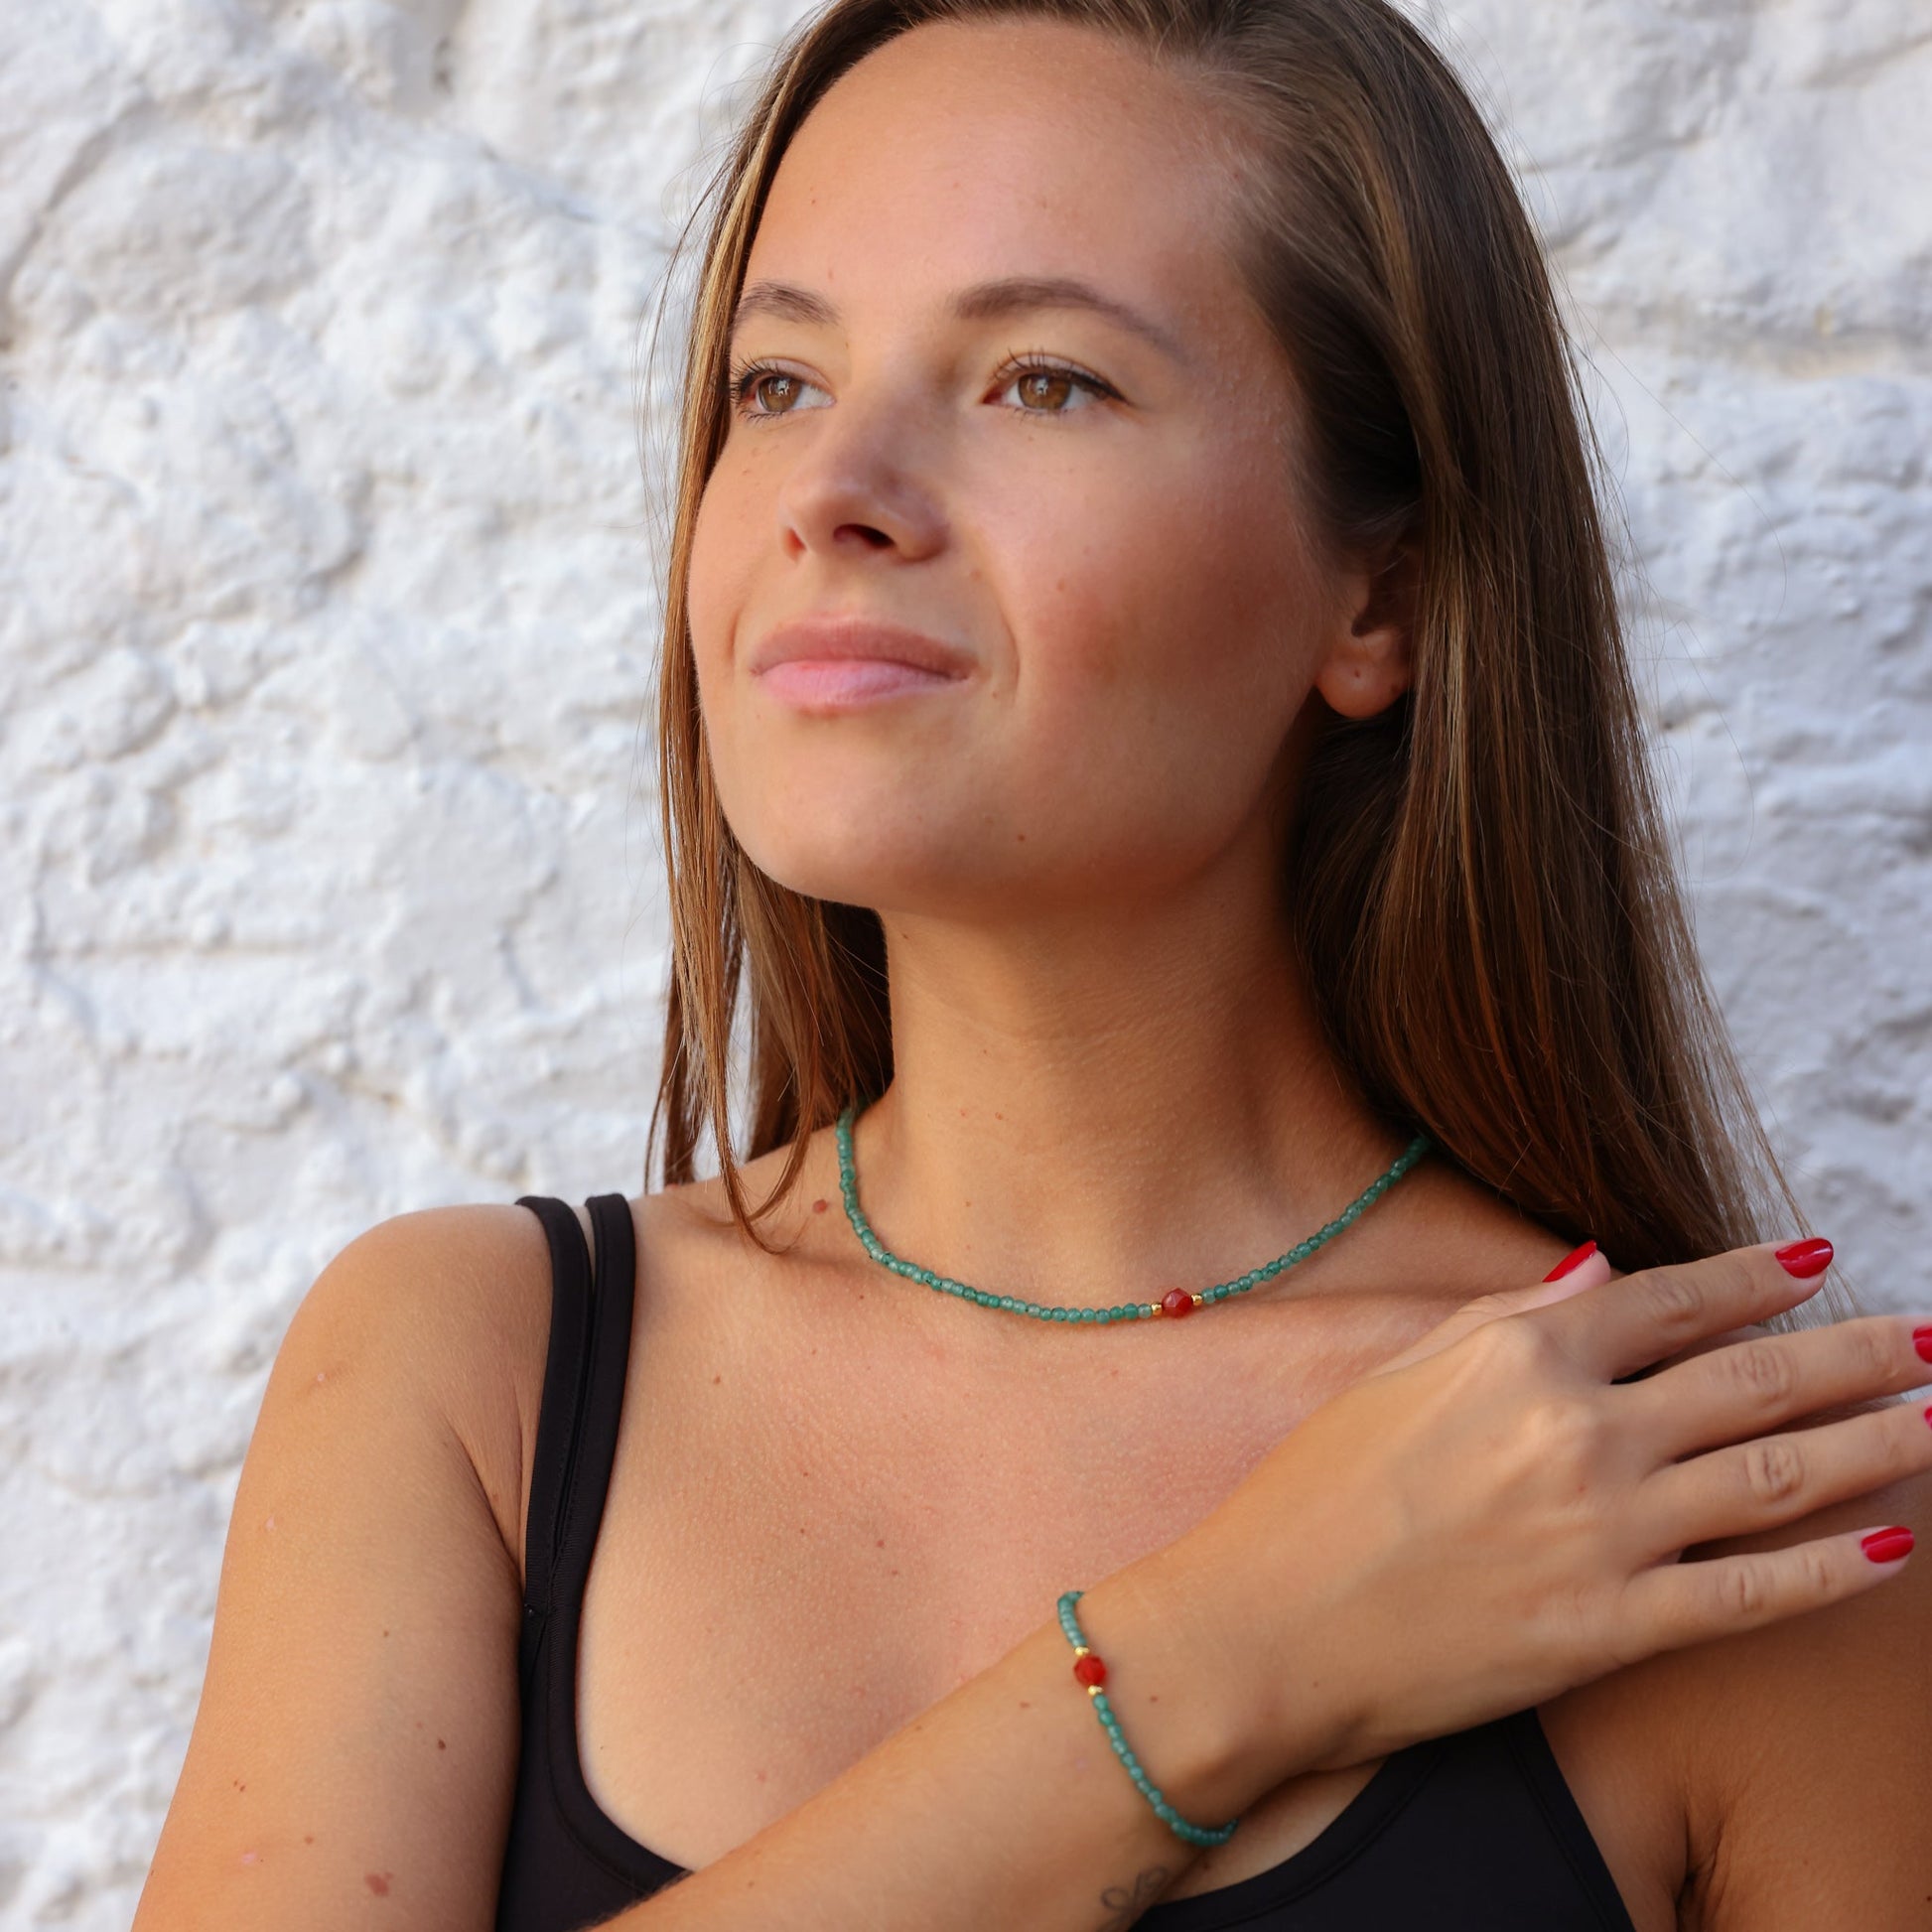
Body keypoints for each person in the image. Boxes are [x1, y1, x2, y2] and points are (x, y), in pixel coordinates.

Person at [133, 3, 1932, 1928]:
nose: (838, 486)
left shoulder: (1701, 1508)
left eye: (1043, 381)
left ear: (1380, 595)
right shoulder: (472, 1367)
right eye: (775, 381)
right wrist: (1217, 1659)